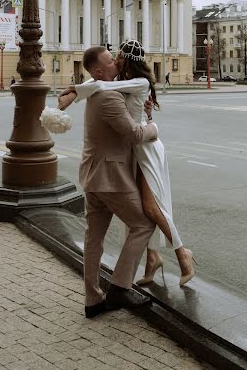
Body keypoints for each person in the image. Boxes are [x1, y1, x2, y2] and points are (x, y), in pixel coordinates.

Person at [59, 40, 195, 291]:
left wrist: (74, 91)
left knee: (152, 209)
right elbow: (98, 83)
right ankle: (152, 259)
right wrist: (72, 92)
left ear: (128, 60)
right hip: (132, 150)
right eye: (112, 58)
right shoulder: (115, 82)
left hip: (146, 148)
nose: (115, 60)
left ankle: (181, 254)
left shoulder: (136, 83)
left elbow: (100, 84)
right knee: (144, 211)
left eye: (118, 57)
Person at [60, 45, 159, 319]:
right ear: (99, 71)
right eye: (110, 61)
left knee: (94, 238)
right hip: (111, 177)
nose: (116, 62)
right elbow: (135, 135)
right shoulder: (109, 98)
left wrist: (146, 112)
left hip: (93, 175)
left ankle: (93, 299)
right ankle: (119, 287)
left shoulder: (99, 92)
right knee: (143, 224)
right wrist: (154, 128)